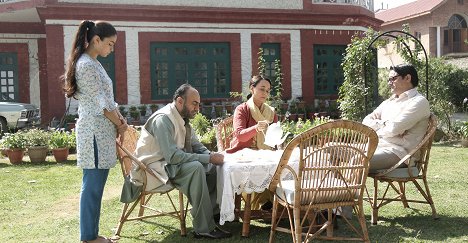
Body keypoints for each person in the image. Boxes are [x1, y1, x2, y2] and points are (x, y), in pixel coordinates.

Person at [133, 84, 232, 239]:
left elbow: (195, 145)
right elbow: (172, 156)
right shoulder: (163, 119)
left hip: (169, 164)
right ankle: (203, 228)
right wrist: (207, 158)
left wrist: (211, 156)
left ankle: (213, 215)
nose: (197, 108)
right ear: (180, 101)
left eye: (198, 104)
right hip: (152, 169)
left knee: (212, 167)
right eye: (194, 103)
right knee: (196, 168)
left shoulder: (182, 118)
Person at [62, 20, 128, 243]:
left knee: (96, 185)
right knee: (92, 186)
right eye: (110, 44)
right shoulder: (86, 65)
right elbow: (101, 105)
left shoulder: (94, 63)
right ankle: (89, 238)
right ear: (96, 40)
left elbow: (108, 101)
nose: (112, 48)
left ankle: (92, 235)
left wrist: (121, 119)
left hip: (101, 133)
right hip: (94, 135)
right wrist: (119, 123)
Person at [363, 63, 430, 172]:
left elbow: (393, 129)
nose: (389, 83)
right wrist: (385, 123)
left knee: (358, 159)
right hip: (377, 147)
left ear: (408, 78)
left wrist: (378, 127)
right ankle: (337, 188)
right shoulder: (389, 102)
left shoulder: (419, 102)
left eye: (393, 79)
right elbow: (366, 122)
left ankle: (346, 188)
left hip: (400, 154)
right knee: (329, 149)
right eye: (388, 80)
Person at [225, 75, 278, 210]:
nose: (265, 93)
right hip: (243, 153)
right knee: (257, 167)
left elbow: (275, 137)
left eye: (268, 90)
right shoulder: (242, 109)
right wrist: (256, 128)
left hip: (265, 152)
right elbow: (240, 136)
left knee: (281, 165)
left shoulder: (271, 112)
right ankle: (264, 204)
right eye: (262, 89)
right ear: (251, 89)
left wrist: (277, 139)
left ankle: (281, 203)